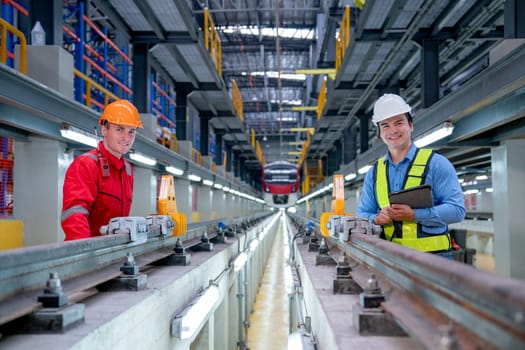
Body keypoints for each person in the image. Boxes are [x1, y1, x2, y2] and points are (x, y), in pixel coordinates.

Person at [356, 93, 465, 256]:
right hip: (388, 261)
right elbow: (362, 214)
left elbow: (457, 210)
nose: (392, 130)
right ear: (380, 133)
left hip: (434, 262)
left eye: (399, 123)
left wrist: (414, 215)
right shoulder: (374, 173)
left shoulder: (436, 164)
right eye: (385, 125)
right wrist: (377, 219)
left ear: (411, 125)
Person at [61, 100, 143, 240]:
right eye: (119, 129)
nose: (126, 138)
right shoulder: (86, 165)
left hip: (114, 252)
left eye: (131, 132)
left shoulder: (128, 169)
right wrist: (85, 252)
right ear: (104, 130)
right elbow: (75, 215)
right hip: (89, 251)